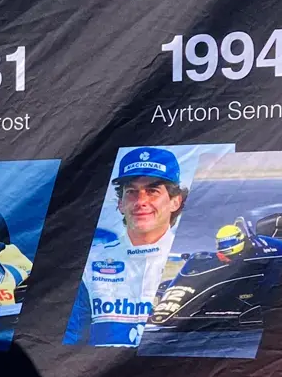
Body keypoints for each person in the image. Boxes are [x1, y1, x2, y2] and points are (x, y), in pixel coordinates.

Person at [63, 147, 188, 347]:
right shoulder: (89, 264)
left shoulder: (188, 263)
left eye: (153, 191)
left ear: (175, 201)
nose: (141, 201)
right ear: (120, 203)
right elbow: (70, 344)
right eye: (131, 192)